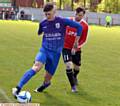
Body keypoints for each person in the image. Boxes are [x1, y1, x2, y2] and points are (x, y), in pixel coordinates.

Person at [12, 3, 83, 97]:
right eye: (45, 14)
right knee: (36, 67)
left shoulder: (62, 21)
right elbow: (39, 31)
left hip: (55, 54)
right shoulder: (43, 23)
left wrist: (76, 42)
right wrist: (41, 31)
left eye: (49, 14)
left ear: (54, 12)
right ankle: (18, 88)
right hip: (44, 50)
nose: (47, 16)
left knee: (47, 79)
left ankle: (46, 84)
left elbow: (79, 27)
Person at [62, 7, 89, 92]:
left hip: (76, 50)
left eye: (80, 15)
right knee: (68, 65)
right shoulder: (68, 21)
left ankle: (75, 76)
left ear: (83, 15)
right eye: (76, 14)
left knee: (77, 68)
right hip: (65, 47)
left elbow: (84, 40)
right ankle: (73, 86)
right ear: (74, 13)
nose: (78, 16)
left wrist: (76, 47)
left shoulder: (85, 26)